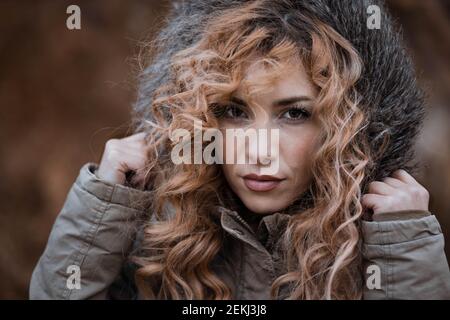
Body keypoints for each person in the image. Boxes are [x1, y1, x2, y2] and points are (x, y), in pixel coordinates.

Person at [30, 0, 450, 299]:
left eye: (294, 114)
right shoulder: (163, 234)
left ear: (347, 127)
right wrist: (103, 207)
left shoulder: (378, 242)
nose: (259, 151)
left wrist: (402, 251)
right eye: (234, 111)